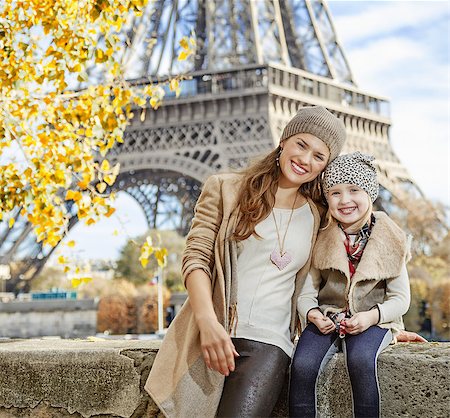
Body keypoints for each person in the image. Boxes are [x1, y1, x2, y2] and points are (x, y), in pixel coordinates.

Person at [144, 106, 347, 417]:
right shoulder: (226, 188)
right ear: (284, 140)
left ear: (324, 166)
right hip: (211, 336)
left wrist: (383, 322)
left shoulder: (319, 215)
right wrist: (209, 324)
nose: (306, 159)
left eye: (319, 156)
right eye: (301, 145)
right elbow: (195, 258)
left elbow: (342, 275)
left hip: (268, 345)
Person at [289, 152, 412, 418]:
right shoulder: (321, 239)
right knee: (302, 365)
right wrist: (312, 314)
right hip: (329, 317)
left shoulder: (392, 240)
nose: (345, 200)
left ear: (370, 192)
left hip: (374, 319)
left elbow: (401, 299)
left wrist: (371, 316)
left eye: (354, 190)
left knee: (360, 361)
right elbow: (307, 293)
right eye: (334, 193)